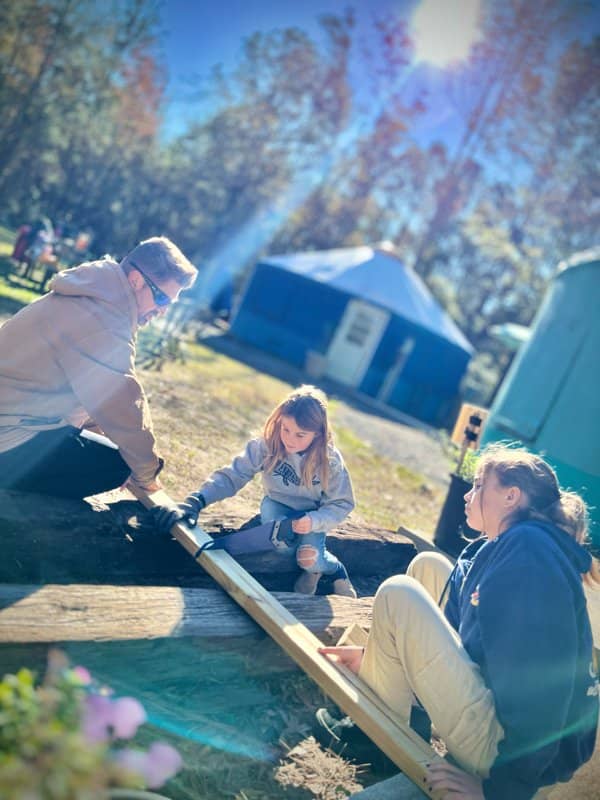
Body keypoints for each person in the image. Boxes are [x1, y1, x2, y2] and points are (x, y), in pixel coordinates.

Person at [319, 444, 599, 799]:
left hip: (509, 752)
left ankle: (377, 743)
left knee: (398, 592)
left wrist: (499, 791)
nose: (468, 494)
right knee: (427, 569)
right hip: (505, 721)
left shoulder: (528, 554)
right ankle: (409, 716)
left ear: (511, 496)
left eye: (480, 485)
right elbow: (456, 635)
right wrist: (380, 659)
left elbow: (544, 691)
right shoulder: (511, 546)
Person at [0, 236, 197, 499]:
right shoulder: (102, 318)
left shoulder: (95, 293)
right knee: (118, 465)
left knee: (116, 449)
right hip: (9, 437)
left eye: (169, 305)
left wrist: (102, 433)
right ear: (137, 281)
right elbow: (121, 403)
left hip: (15, 416)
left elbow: (91, 395)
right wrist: (146, 474)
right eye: (162, 299)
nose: (162, 311)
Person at [151, 385, 358, 597]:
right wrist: (196, 501)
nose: (290, 439)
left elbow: (342, 503)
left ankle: (331, 571)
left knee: (309, 559)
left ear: (318, 434)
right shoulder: (266, 445)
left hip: (310, 516)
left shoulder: (329, 461)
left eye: (300, 435)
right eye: (285, 429)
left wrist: (314, 521)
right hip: (277, 505)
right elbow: (233, 475)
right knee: (282, 545)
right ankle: (311, 564)